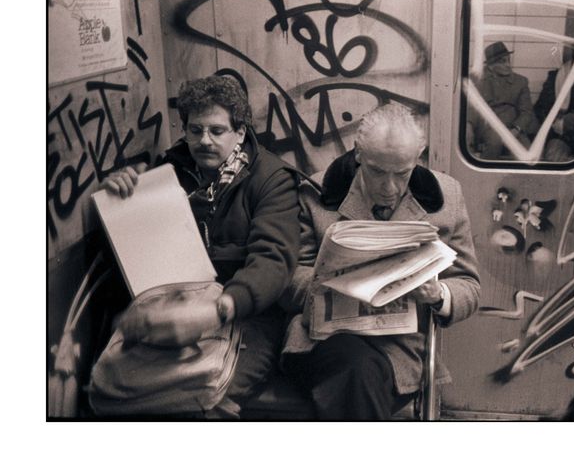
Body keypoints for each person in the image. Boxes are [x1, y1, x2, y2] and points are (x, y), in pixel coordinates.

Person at [99, 75, 302, 418]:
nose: (203, 141)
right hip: (174, 305)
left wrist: (220, 307)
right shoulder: (168, 172)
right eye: (195, 130)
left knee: (206, 401)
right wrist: (121, 196)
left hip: (246, 315)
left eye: (217, 131)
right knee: (123, 394)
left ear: (240, 132)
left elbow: (274, 260)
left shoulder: (271, 178)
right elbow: (138, 249)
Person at [280, 104, 481, 420]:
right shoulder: (316, 193)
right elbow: (288, 278)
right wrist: (327, 285)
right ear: (358, 153)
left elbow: (469, 286)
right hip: (324, 339)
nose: (389, 188)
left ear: (418, 157)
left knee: (359, 377)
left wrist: (438, 294)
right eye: (376, 171)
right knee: (354, 369)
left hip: (399, 347)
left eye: (402, 173)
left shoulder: (447, 197)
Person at [467, 41, 536, 159]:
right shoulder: (477, 80)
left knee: (527, 152)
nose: (508, 65)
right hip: (488, 126)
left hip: (513, 126)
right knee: (495, 143)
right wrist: (468, 125)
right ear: (490, 66)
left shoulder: (520, 81)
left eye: (508, 60)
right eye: (502, 61)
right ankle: (484, 176)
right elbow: (472, 107)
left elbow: (526, 112)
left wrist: (515, 130)